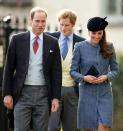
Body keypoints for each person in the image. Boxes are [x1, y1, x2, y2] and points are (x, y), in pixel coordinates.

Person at [2, 7, 62, 131]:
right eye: (37, 21)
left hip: (44, 95)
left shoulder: (53, 42)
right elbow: (8, 69)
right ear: (31, 21)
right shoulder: (17, 40)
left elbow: (56, 72)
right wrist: (7, 94)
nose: (41, 24)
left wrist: (56, 97)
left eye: (43, 21)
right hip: (22, 93)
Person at [70, 16, 119, 131]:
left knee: (103, 127)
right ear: (88, 32)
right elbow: (72, 71)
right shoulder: (79, 47)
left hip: (105, 94)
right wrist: (84, 78)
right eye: (94, 33)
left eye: (99, 33)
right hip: (86, 95)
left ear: (103, 33)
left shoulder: (109, 47)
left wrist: (106, 77)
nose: (96, 36)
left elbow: (115, 70)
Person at [48, 9, 85, 131]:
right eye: (61, 24)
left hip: (72, 92)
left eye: (67, 25)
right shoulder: (49, 39)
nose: (63, 28)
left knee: (71, 128)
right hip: (53, 91)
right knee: (52, 127)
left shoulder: (82, 42)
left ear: (73, 24)